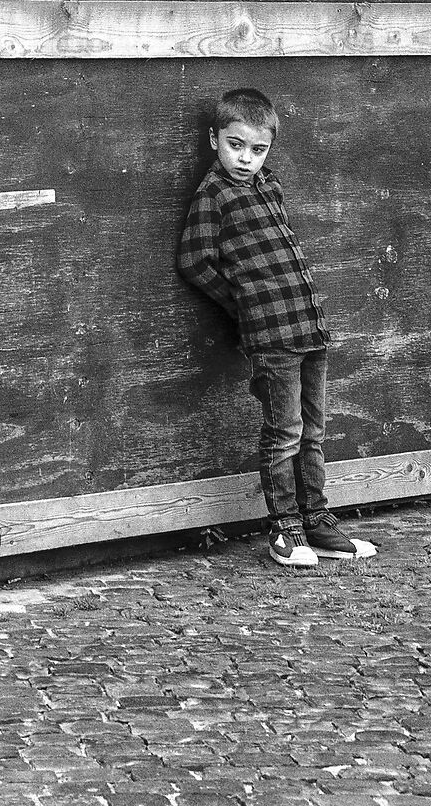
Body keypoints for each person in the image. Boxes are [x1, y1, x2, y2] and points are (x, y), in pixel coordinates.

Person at [177, 84, 376, 571]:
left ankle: (317, 520)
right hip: (271, 337)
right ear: (214, 140)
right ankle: (284, 530)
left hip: (309, 328)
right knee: (283, 433)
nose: (246, 159)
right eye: (235, 145)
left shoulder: (269, 186)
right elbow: (194, 260)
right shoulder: (214, 195)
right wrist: (244, 304)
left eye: (258, 149)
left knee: (314, 432)